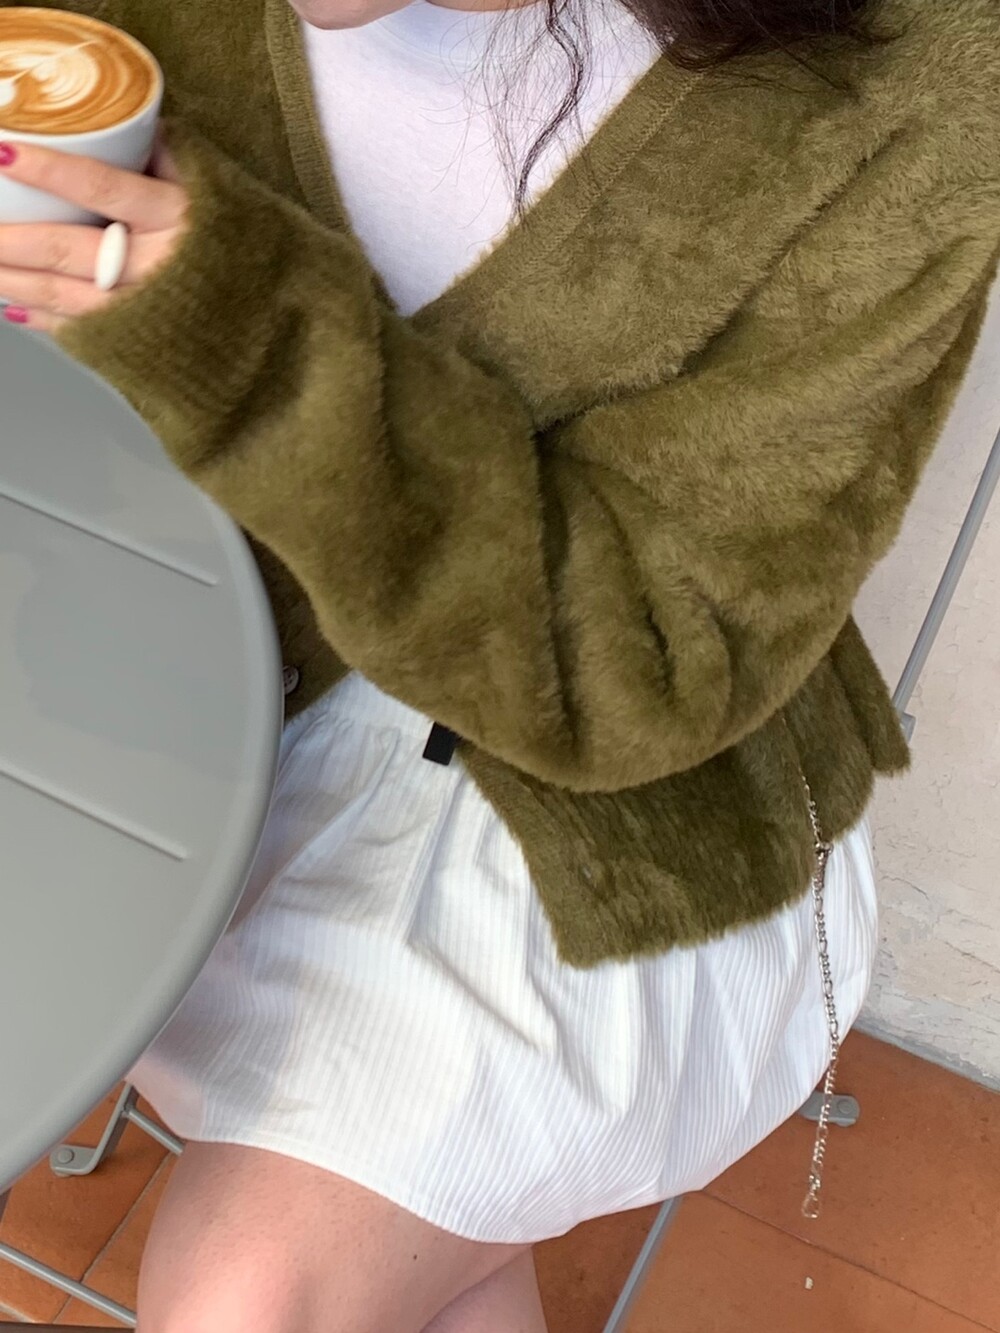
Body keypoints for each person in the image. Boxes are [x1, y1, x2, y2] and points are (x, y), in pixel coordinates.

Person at [2, 0, 999, 1327]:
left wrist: (245, 342)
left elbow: (651, 658)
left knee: (250, 1297)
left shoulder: (921, 70)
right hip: (145, 670)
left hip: (579, 816)